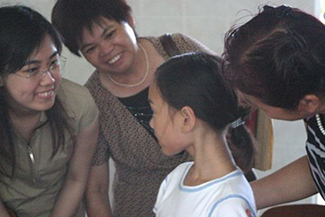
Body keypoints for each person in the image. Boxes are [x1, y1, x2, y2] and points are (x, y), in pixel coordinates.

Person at [51, 0, 256, 216]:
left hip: (213, 192)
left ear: (129, 20)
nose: (106, 50)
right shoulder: (93, 100)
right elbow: (96, 189)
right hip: (144, 207)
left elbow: (234, 93)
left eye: (110, 34)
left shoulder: (177, 48)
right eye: (91, 48)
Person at [222, 4, 325, 210]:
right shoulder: (314, 83)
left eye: (257, 104)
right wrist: (237, 197)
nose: (252, 108)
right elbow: (318, 165)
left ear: (308, 103)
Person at [0, 5, 99, 217]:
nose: (49, 80)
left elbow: (76, 177)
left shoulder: (79, 105)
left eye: (53, 63)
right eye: (32, 70)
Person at [149, 52, 257, 217]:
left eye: (154, 111)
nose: (151, 123)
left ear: (186, 119)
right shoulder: (176, 178)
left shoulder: (228, 204)